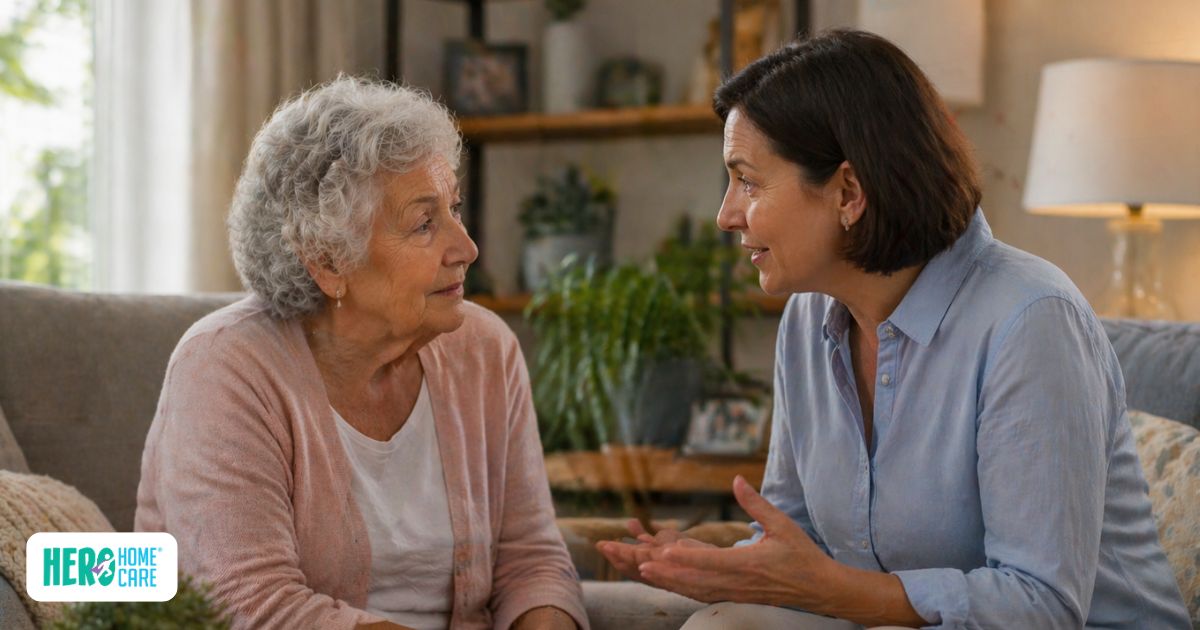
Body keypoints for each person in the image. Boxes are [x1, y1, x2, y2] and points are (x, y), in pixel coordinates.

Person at [597, 29, 1189, 629]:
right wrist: (723, 568)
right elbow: (795, 541)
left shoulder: (1030, 321)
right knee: (653, 615)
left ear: (849, 192)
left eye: (748, 181)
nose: (726, 214)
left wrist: (832, 593)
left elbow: (1040, 608)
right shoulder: (809, 316)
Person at [135, 77, 586, 630]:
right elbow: (252, 605)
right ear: (327, 260)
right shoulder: (224, 368)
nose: (466, 248)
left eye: (454, 209)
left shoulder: (485, 350)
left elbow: (531, 560)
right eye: (424, 223)